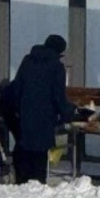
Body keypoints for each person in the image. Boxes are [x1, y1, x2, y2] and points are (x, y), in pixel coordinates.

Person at [8, 34, 75, 184]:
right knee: (39, 155)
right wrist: (68, 113)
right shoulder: (57, 67)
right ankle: (37, 185)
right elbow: (58, 97)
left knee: (25, 150)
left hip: (25, 115)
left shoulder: (27, 61)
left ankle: (21, 183)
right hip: (45, 118)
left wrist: (17, 110)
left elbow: (17, 88)